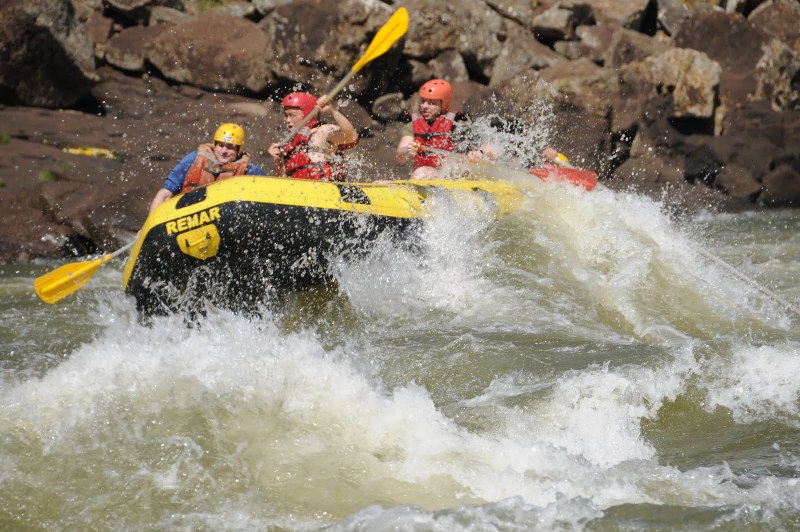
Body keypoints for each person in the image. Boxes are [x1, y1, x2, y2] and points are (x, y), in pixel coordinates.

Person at [148, 123, 265, 214]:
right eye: (220, 145)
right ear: (215, 145)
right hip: (186, 217)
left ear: (239, 150)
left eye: (230, 147)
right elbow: (164, 194)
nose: (224, 151)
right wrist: (148, 227)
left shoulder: (250, 171)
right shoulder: (194, 159)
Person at [395, 79, 496, 179]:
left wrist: (479, 153)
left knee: (421, 174)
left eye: (431, 103)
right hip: (427, 175)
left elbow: (488, 150)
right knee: (420, 174)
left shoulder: (457, 124)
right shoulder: (412, 125)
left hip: (454, 176)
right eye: (423, 102)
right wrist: (406, 150)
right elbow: (400, 155)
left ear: (444, 104)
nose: (424, 106)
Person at [268, 91, 358, 181]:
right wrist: (277, 162)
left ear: (307, 113)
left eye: (292, 115)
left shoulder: (322, 132)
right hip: (301, 192)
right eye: (286, 115)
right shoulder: (291, 145)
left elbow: (351, 136)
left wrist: (332, 110)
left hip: (327, 191)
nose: (287, 120)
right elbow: (283, 182)